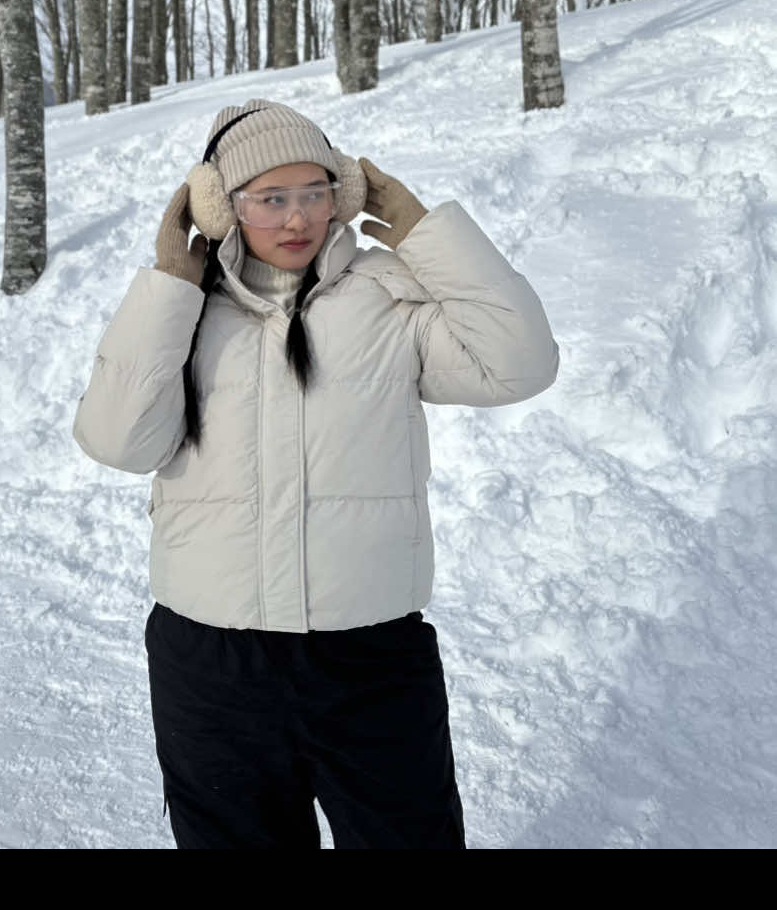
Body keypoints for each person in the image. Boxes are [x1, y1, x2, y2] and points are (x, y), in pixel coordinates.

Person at [73, 99, 559, 849]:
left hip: (368, 656)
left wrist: (425, 230)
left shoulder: (386, 298)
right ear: (220, 206)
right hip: (210, 664)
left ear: (344, 196)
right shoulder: (183, 314)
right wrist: (171, 280)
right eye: (270, 197)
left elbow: (519, 361)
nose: (297, 216)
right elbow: (118, 439)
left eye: (315, 191)